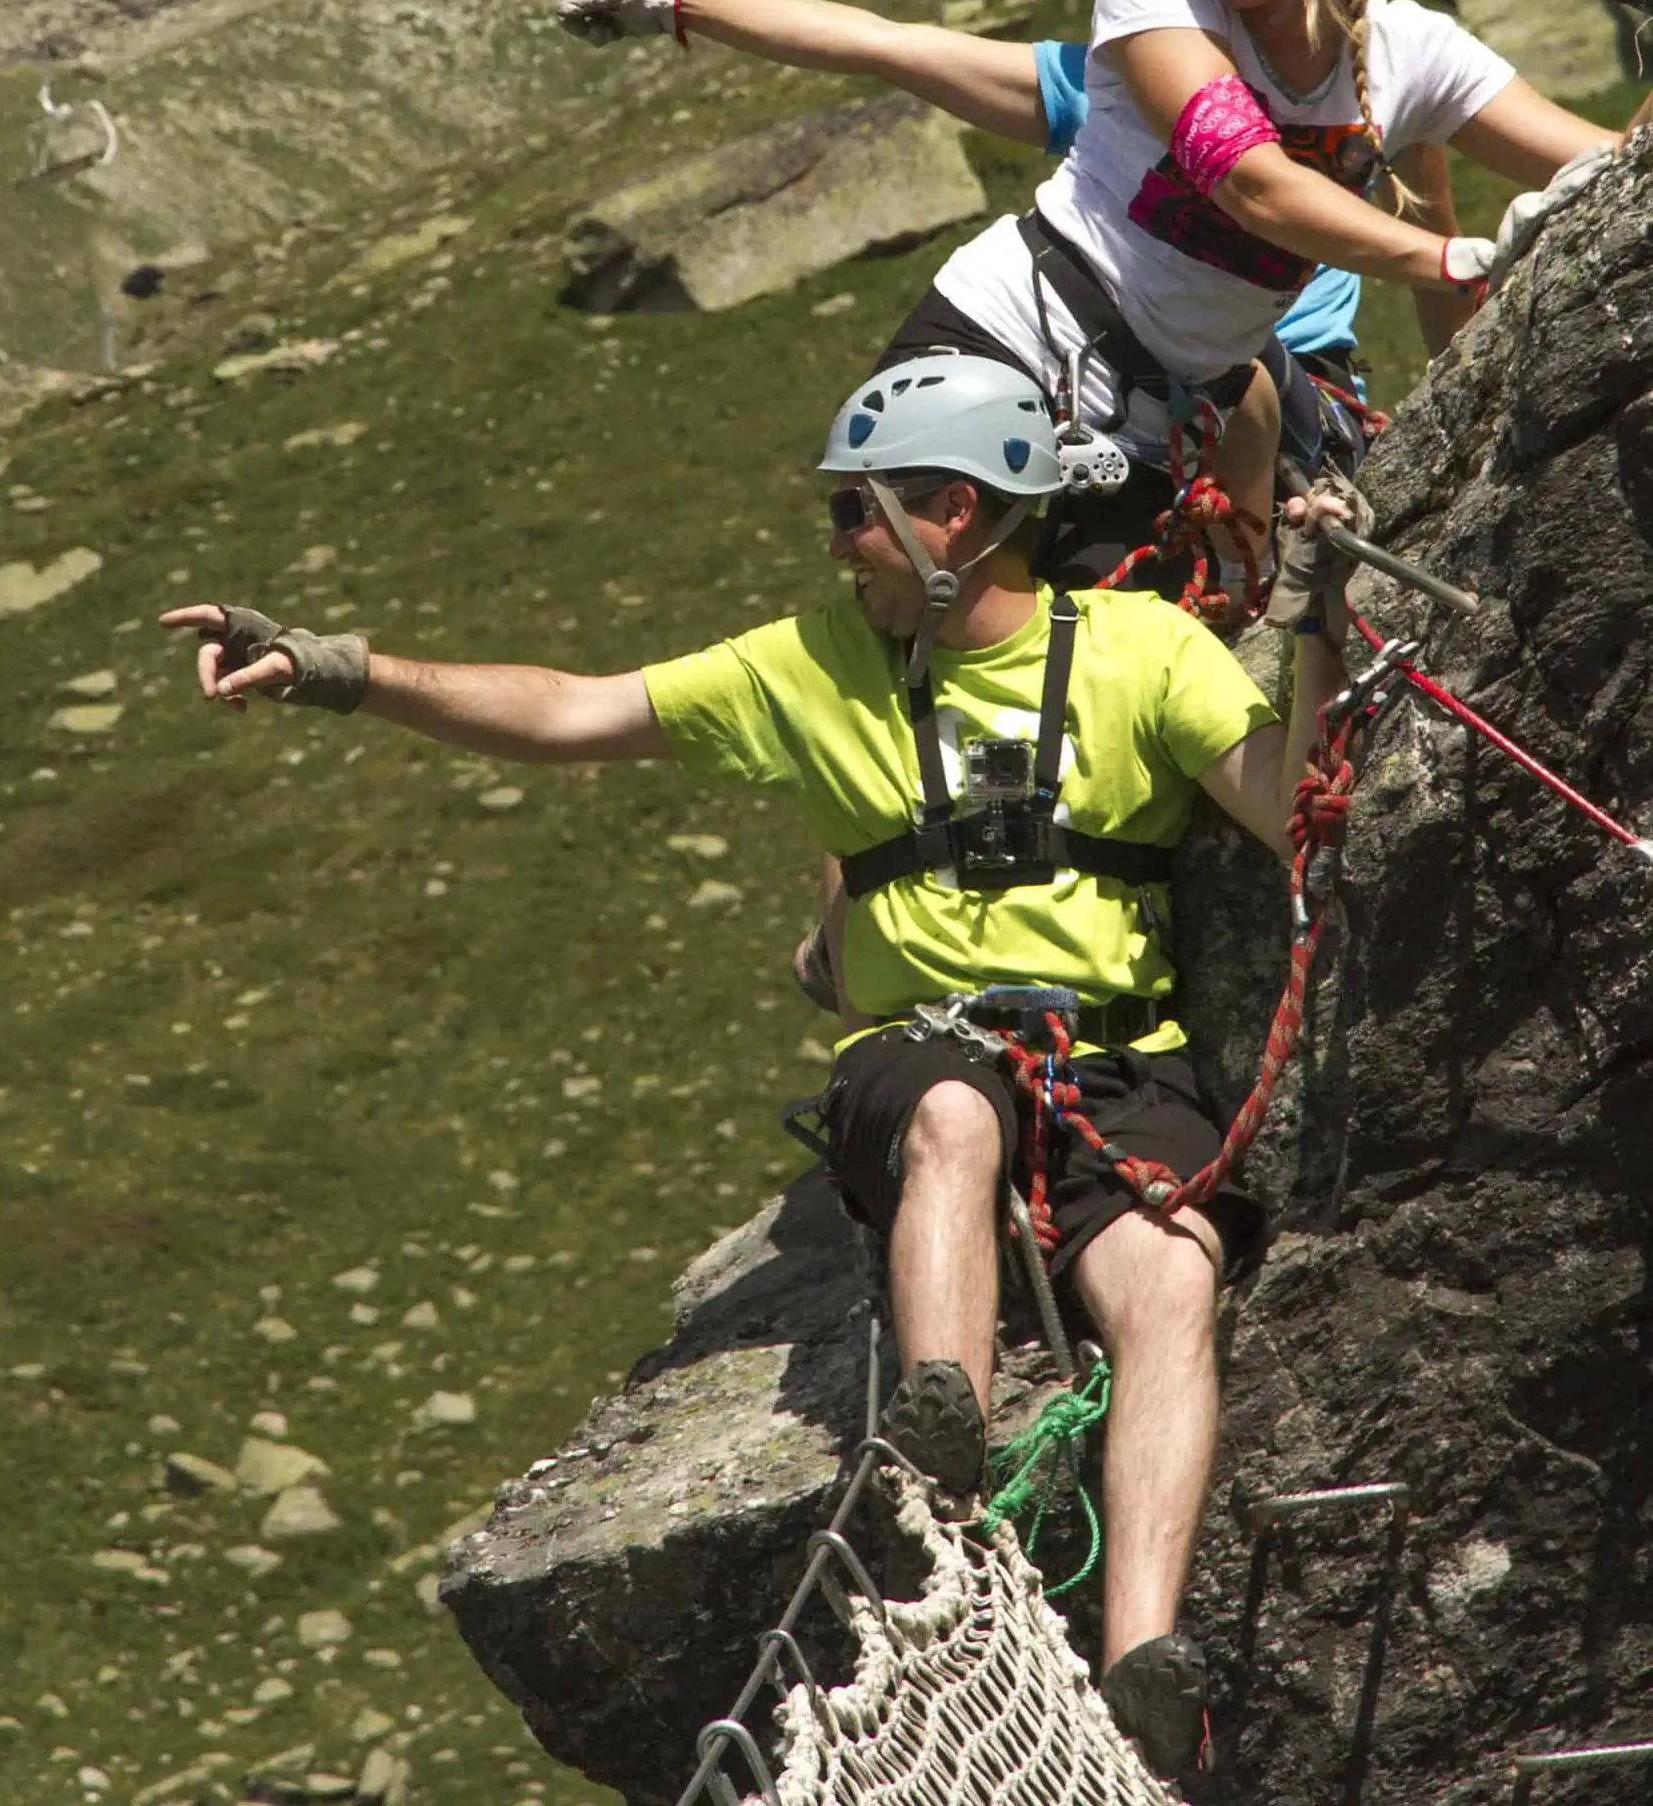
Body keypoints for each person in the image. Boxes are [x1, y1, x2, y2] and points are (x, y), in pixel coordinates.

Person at [160, 356, 1358, 1777]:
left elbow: (1291, 808)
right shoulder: (802, 660)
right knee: (952, 1118)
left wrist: (1316, 621)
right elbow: (565, 711)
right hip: (927, 1052)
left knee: (1168, 1278)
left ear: (951, 515)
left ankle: (1139, 1659)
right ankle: (941, 1462)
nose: (833, 538)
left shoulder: (1139, 652)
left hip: (1109, 1055)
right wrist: (342, 673)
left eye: (853, 510)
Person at [526, 0, 1644, 599]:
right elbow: (1246, 178)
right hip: (1015, 334)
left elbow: (1612, 171)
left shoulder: (1415, 58)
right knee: (908, 588)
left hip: (1185, 411)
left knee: (1110, 677)